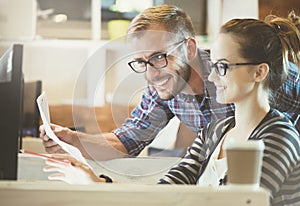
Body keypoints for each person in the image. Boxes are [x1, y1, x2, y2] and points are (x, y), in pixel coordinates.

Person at [43, 11, 300, 206]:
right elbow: (156, 180)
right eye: (141, 62)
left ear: (189, 48)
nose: (151, 73)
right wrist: (88, 168)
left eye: (158, 57)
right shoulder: (213, 132)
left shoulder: (279, 126)